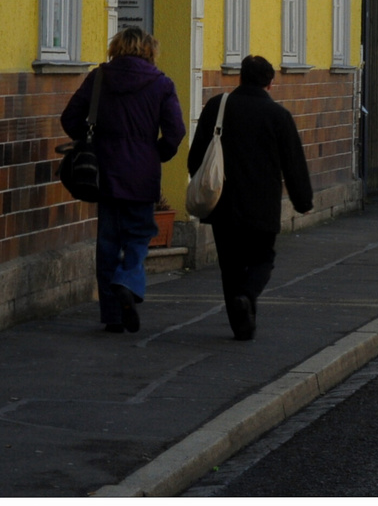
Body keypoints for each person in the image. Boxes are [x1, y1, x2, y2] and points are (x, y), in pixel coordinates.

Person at [61, 27, 185, 334]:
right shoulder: (161, 83)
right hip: (142, 172)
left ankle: (113, 317)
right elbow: (175, 132)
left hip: (104, 170)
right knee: (139, 234)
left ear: (116, 47)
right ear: (149, 50)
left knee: (107, 242)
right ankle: (128, 279)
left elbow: (69, 118)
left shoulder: (99, 78)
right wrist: (156, 154)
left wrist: (91, 141)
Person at [187, 54, 314, 341]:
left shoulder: (217, 107)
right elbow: (293, 164)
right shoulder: (278, 117)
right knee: (262, 258)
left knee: (230, 265)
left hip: (223, 204)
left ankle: (240, 325)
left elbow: (196, 157)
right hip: (262, 206)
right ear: (270, 84)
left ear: (240, 77)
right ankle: (247, 295)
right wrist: (303, 201)